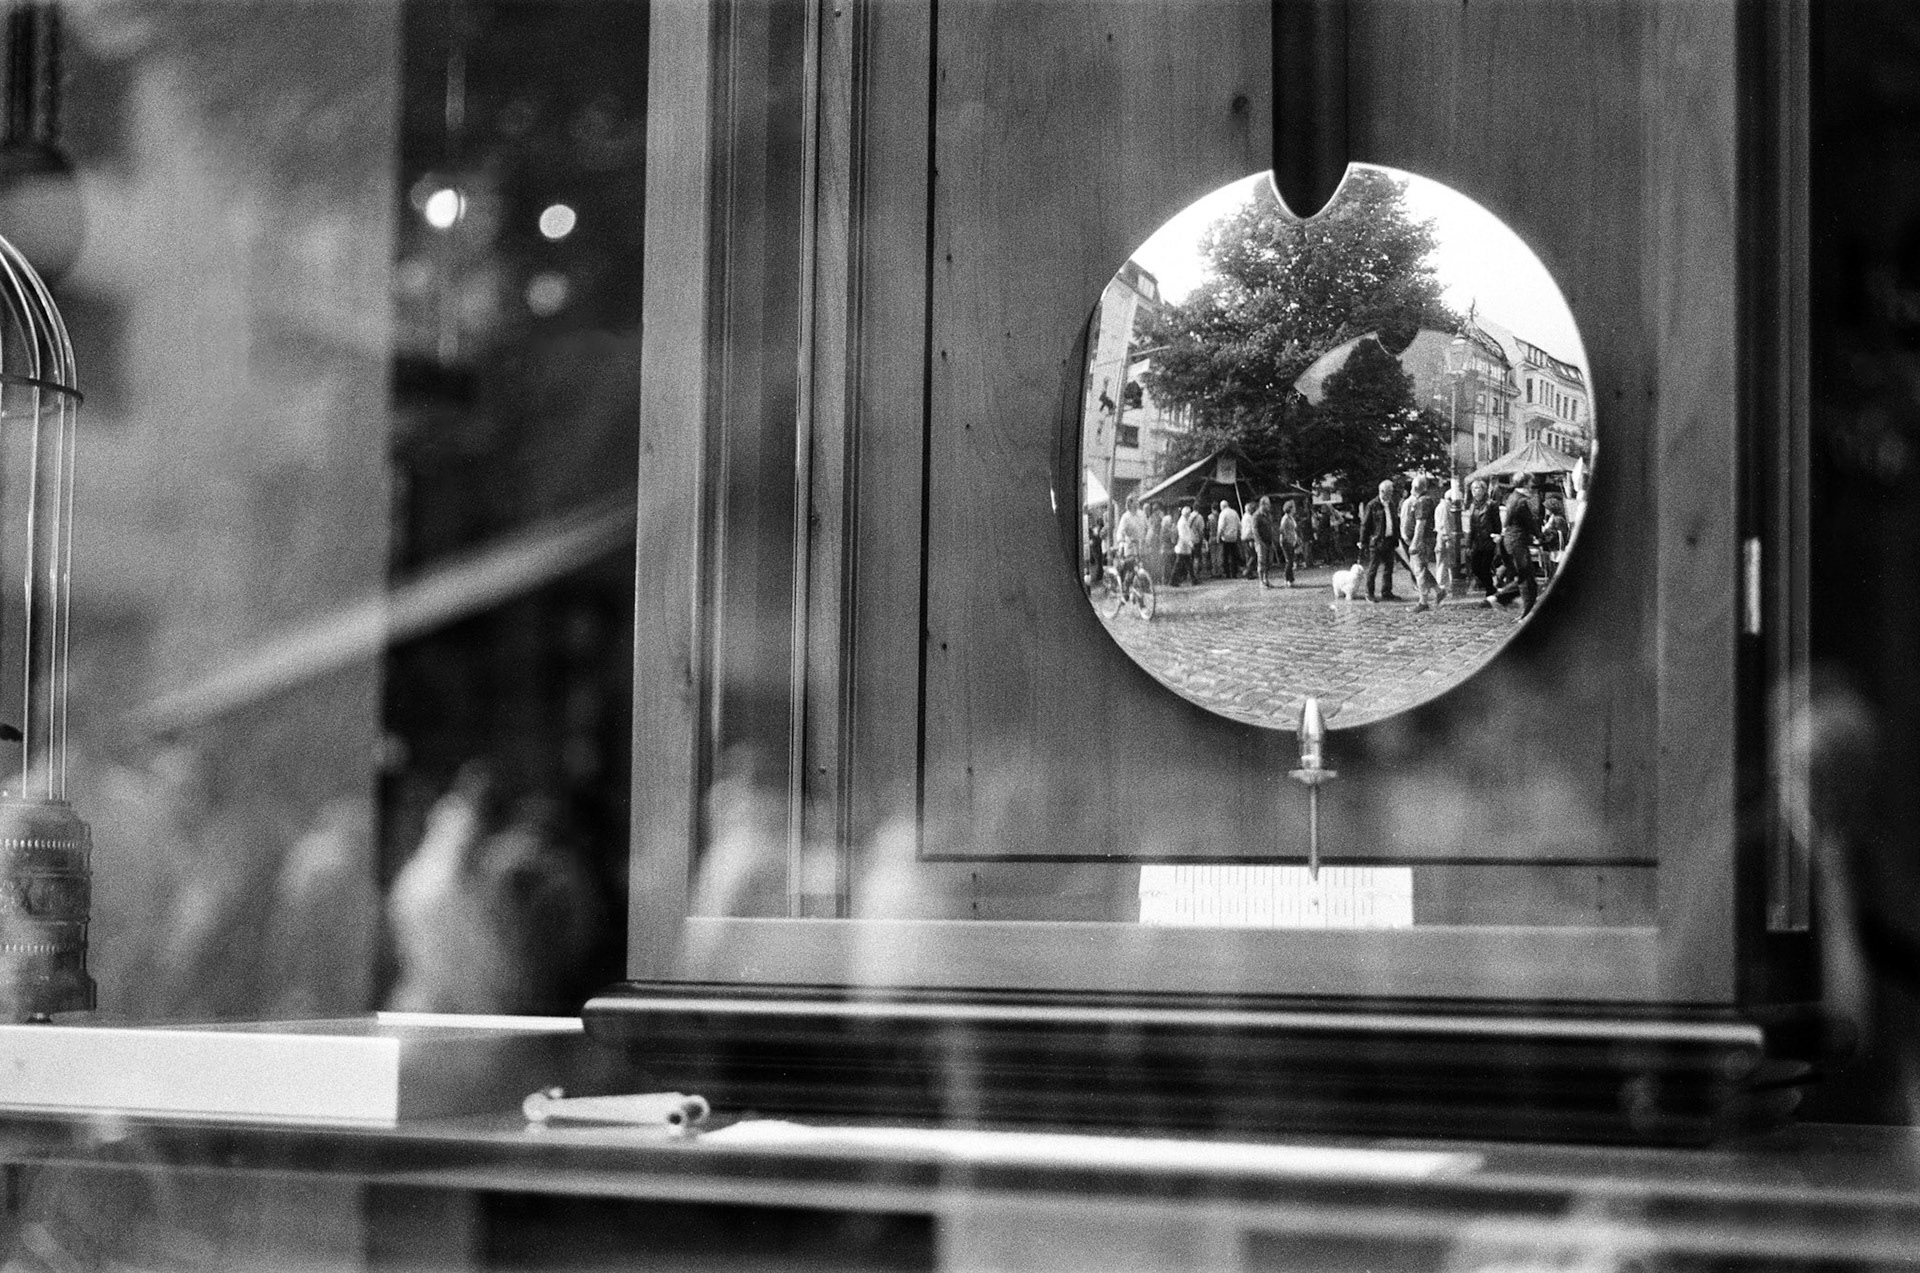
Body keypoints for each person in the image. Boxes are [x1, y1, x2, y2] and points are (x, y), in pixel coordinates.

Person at [1493, 475, 1543, 616]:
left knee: (1526, 577)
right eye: (1530, 483)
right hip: (1517, 542)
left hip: (1511, 541)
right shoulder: (1521, 501)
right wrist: (1539, 536)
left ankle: (1519, 607)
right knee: (1526, 578)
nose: (1532, 486)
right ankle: (1521, 610)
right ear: (1525, 483)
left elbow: (1509, 521)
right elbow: (1530, 522)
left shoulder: (1512, 497)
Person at [1359, 479, 1401, 602]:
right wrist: (1363, 541)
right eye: (1389, 492)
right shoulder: (1372, 505)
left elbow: (1395, 522)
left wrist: (1396, 537)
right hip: (1377, 541)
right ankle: (1369, 593)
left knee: (1389, 568)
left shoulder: (1391, 504)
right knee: (1373, 568)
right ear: (1382, 491)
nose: (1391, 494)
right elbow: (1365, 524)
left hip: (1389, 540)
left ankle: (1386, 591)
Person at [1405, 475, 1442, 611]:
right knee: (1422, 569)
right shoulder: (1424, 500)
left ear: (1415, 488)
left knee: (1419, 571)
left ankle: (1423, 602)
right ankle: (1439, 591)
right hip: (1425, 540)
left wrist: (1414, 543)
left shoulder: (1422, 502)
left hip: (1422, 542)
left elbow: (1420, 525)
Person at [1465, 478, 1498, 599]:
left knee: (1485, 568)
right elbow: (1471, 526)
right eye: (1472, 489)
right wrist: (1469, 544)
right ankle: (1492, 588)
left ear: (1484, 490)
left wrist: (1495, 537)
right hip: (1476, 542)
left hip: (1488, 541)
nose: (1474, 491)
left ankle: (1490, 593)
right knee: (1475, 568)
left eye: (1477, 488)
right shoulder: (1472, 505)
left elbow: (1496, 523)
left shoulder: (1491, 504)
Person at [1434, 480, 1461, 602]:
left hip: (1443, 537)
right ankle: (1442, 586)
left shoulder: (1442, 506)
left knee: (1445, 563)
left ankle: (1445, 586)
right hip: (1444, 538)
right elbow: (1445, 525)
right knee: (1443, 563)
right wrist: (1448, 539)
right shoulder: (1445, 507)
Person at [1250, 496, 1277, 588]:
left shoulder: (1268, 515)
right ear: (1262, 504)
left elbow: (1270, 528)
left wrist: (1272, 540)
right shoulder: (1256, 516)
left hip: (1269, 541)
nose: (1269, 506)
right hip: (1261, 542)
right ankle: (1261, 581)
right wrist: (1260, 542)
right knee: (1262, 561)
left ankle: (1266, 579)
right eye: (1268, 504)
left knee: (1269, 561)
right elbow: (1255, 530)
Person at [1171, 501, 1200, 586]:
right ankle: (1173, 581)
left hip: (1184, 547)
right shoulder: (1182, 522)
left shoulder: (1184, 521)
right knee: (1179, 565)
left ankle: (1193, 580)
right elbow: (1183, 536)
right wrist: (1190, 544)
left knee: (1187, 565)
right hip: (1182, 547)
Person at [1277, 500, 1302, 586]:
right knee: (1289, 561)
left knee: (1291, 560)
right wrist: (1288, 539)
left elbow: (1293, 530)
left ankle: (1291, 579)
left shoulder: (1291, 518)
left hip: (1292, 541)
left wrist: (1296, 538)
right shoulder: (1285, 518)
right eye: (1293, 507)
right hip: (1286, 542)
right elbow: (1282, 530)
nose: (1295, 508)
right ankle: (1287, 578)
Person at [1216, 500, 1241, 582]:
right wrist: (1238, 534)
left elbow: (1221, 526)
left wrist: (1218, 536)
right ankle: (1234, 573)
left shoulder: (1223, 514)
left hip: (1225, 537)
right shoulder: (1234, 512)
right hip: (1234, 537)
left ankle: (1227, 573)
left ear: (1222, 507)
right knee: (1233, 555)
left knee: (1225, 556)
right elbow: (1239, 524)